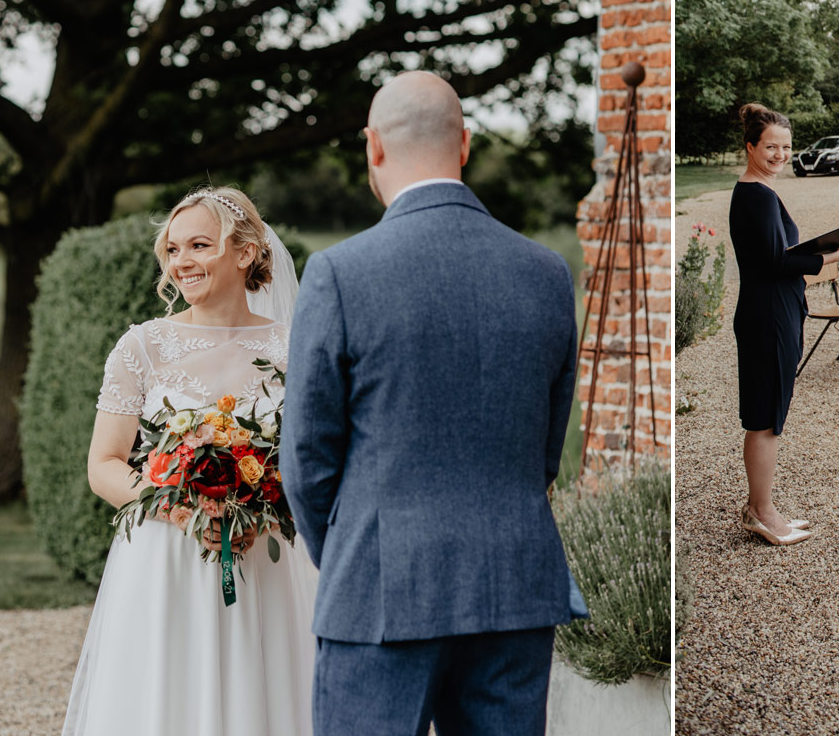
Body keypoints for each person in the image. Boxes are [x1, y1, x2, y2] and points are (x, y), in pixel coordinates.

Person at [282, 73, 584, 736]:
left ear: (373, 147)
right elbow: (545, 447)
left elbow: (305, 457)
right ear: (466, 144)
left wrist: (350, 555)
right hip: (514, 581)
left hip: (381, 584)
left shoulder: (340, 272)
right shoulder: (546, 271)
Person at [64, 187, 315, 736]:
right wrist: (178, 508)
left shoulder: (294, 349)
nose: (181, 262)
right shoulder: (141, 348)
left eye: (199, 245)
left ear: (245, 251)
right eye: (173, 250)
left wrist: (263, 506)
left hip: (262, 560)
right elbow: (104, 464)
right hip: (164, 560)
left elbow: (309, 463)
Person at [728, 103, 839, 545]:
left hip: (770, 311)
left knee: (767, 413)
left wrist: (822, 253)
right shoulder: (757, 194)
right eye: (770, 147)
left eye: (785, 147)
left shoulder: (758, 191)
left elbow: (776, 256)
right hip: (767, 316)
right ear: (750, 146)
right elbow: (775, 262)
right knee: (766, 418)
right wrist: (832, 256)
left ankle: (759, 505)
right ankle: (762, 513)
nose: (780, 154)